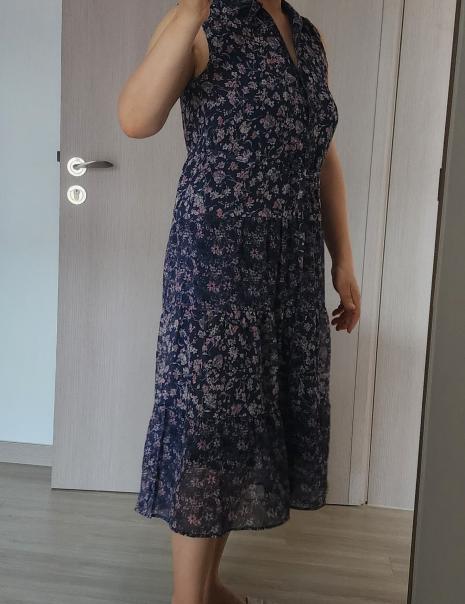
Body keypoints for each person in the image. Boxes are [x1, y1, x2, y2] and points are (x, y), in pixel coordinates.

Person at [117, 1, 361, 603]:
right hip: (219, 262)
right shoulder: (198, 22)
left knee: (247, 426)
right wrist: (191, 10)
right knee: (209, 427)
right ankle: (187, 599)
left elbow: (322, 155)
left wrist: (343, 259)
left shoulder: (308, 35)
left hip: (290, 264)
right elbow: (135, 119)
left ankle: (209, 584)